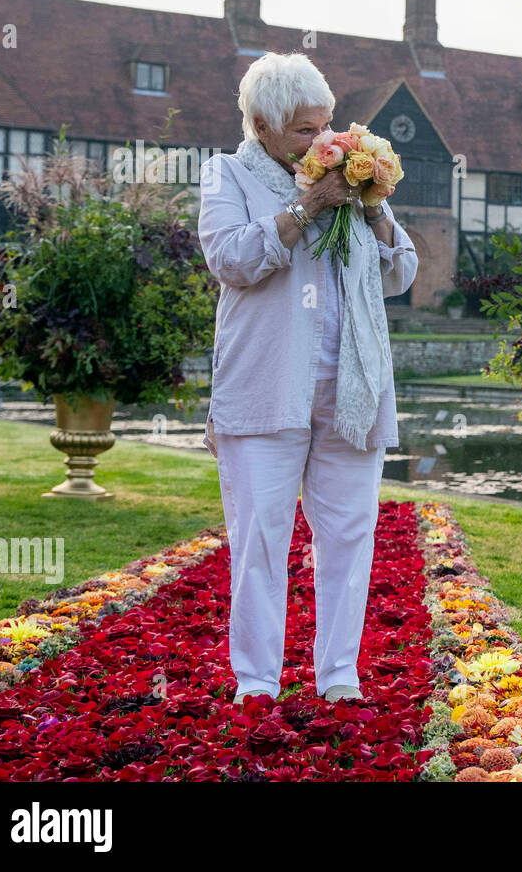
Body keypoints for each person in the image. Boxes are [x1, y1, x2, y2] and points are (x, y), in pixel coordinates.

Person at [196, 52, 418, 706]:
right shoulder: (227, 174)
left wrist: (374, 205)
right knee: (262, 539)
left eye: (325, 126)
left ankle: (340, 678)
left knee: (348, 535)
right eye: (302, 130)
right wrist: (304, 206)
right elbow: (232, 258)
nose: (321, 141)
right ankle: (258, 685)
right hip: (265, 390)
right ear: (262, 125)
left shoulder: (346, 182)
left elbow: (401, 272)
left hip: (352, 391)